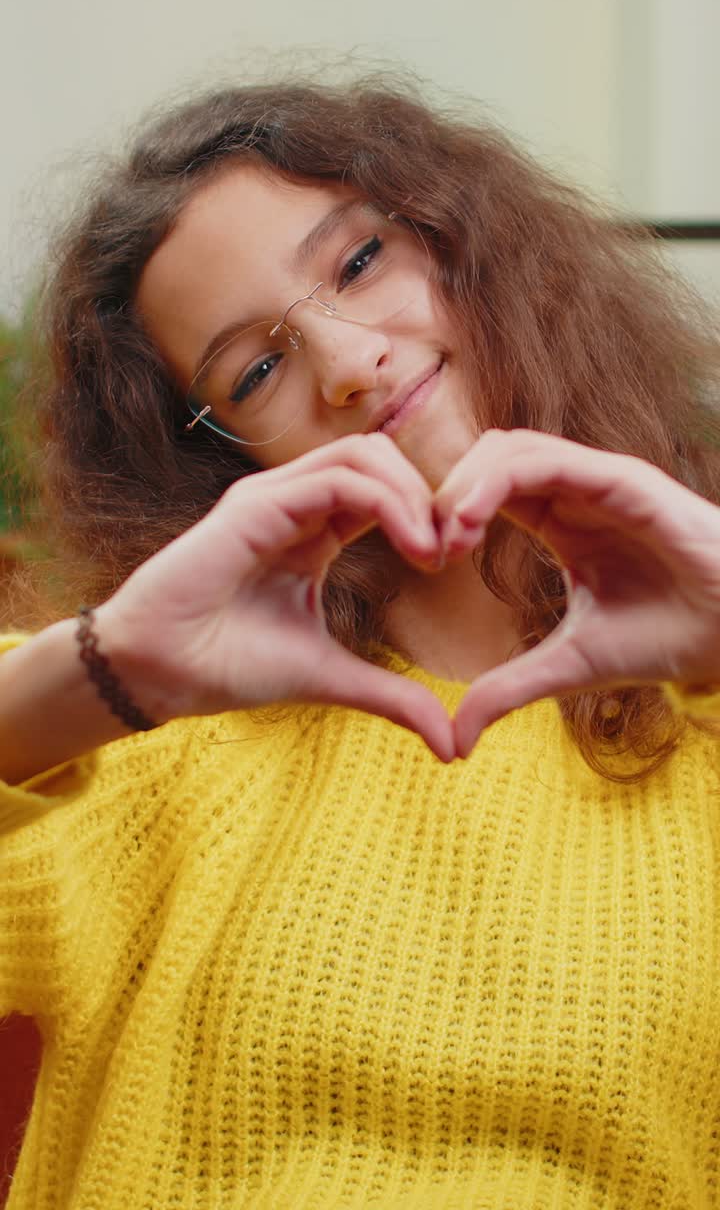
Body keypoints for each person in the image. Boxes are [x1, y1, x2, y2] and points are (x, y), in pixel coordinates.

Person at [2, 74, 720, 1209]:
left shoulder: (704, 716)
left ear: (463, 244)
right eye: (255, 370)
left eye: (357, 263)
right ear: (221, 457)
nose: (347, 362)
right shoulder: (145, 740)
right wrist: (104, 673)